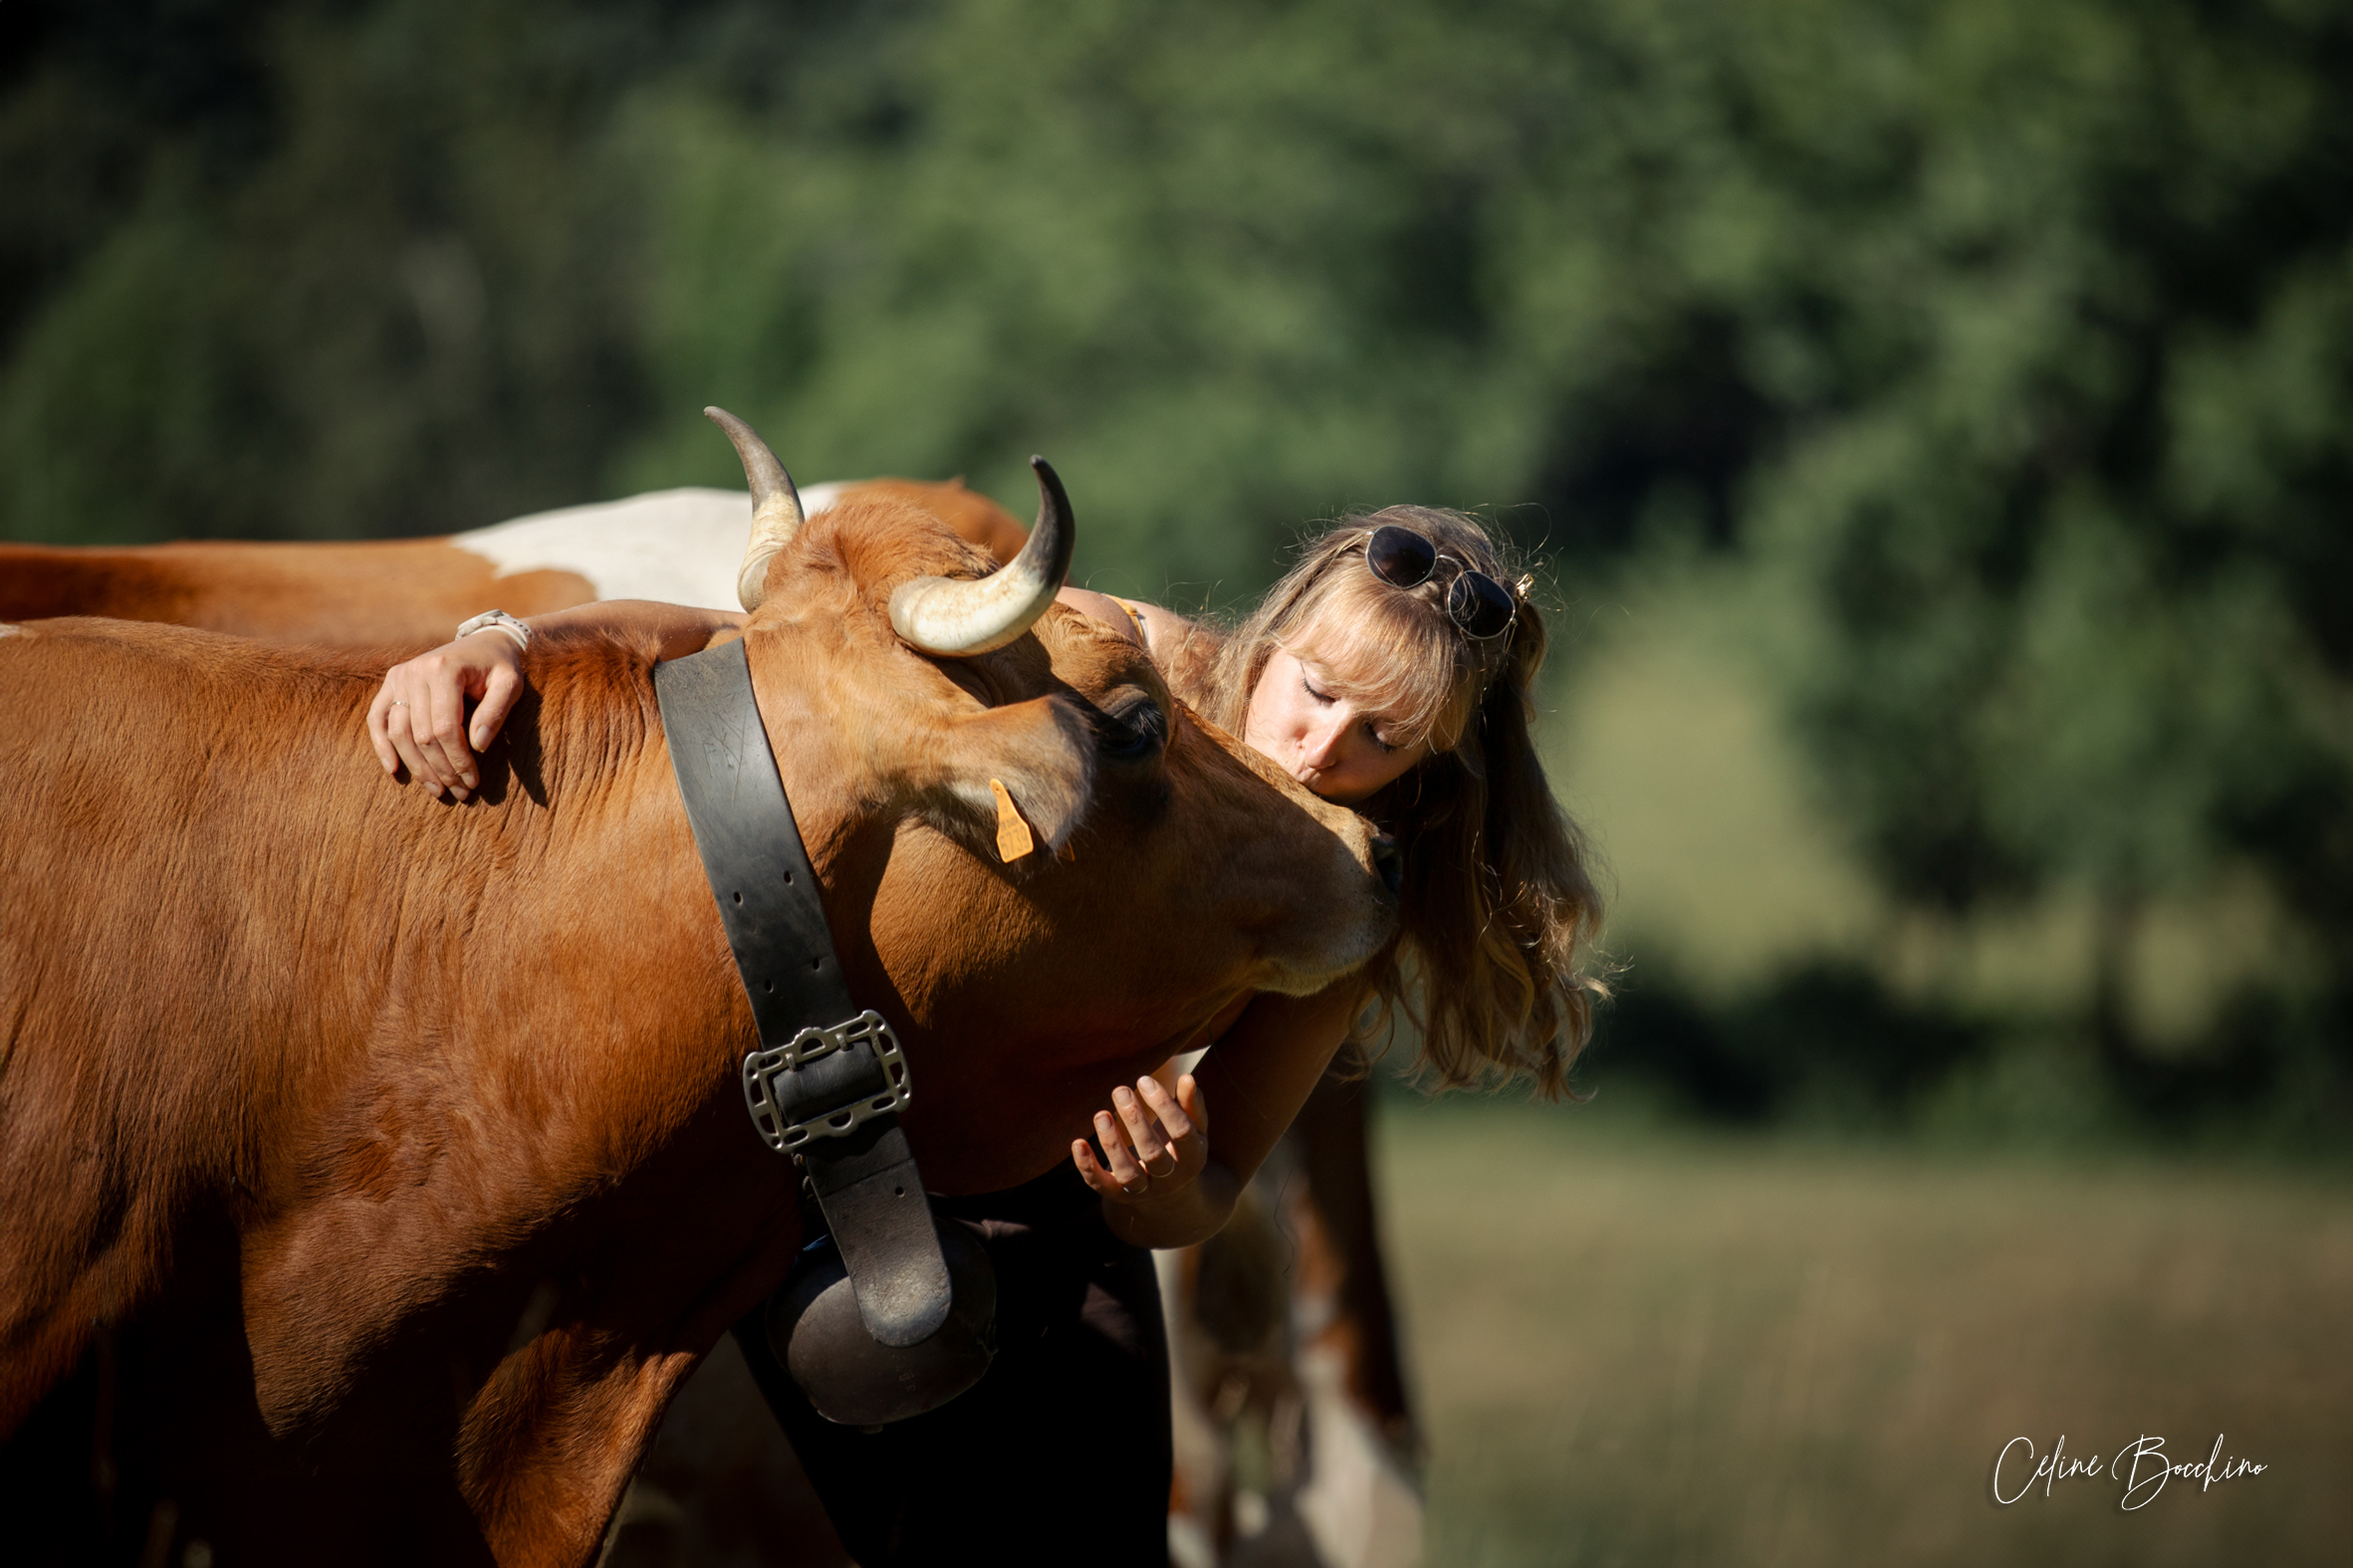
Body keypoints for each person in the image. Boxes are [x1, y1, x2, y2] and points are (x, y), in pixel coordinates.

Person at [368, 502, 1604, 1563]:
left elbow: (1212, 1181)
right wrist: (501, 640)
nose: (1322, 749)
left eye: (1383, 739)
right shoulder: (1119, 660)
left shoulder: (1336, 895)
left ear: (1433, 765)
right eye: (1317, 692)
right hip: (818, 1164)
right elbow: (730, 648)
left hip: (1054, 1240)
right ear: (1275, 638)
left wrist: (1162, 1184)